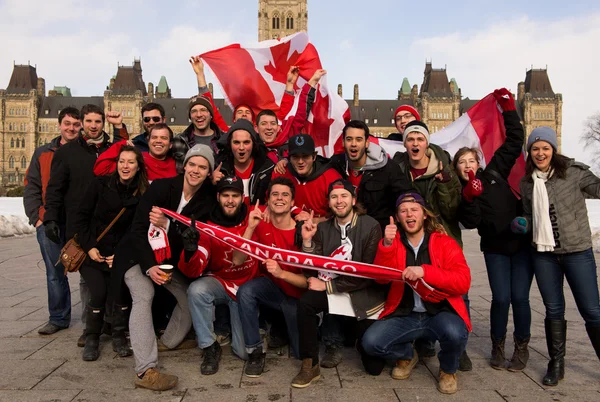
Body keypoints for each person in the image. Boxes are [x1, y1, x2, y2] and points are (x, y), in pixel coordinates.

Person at [120, 144, 217, 390]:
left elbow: (190, 239)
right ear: (185, 165)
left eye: (203, 167)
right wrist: (149, 266)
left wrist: (167, 223)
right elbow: (137, 230)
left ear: (208, 172)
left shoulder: (206, 202)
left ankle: (168, 342)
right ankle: (145, 370)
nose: (196, 170)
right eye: (193, 164)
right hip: (139, 257)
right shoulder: (162, 188)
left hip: (170, 262)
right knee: (144, 295)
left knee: (189, 298)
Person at [454, 88, 533, 371]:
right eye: (461, 163)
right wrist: (469, 197)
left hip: (522, 244)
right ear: (458, 169)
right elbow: (472, 222)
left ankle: (521, 346)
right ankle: (497, 346)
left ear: (478, 161)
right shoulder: (464, 192)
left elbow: (514, 142)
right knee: (501, 298)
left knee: (521, 299)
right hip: (495, 249)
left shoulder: (495, 170)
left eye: (470, 161)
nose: (467, 166)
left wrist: (509, 110)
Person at [514, 126, 600, 386]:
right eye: (535, 149)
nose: (540, 153)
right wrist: (523, 223)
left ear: (553, 149)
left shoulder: (574, 173)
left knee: (592, 311)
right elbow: (530, 214)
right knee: (553, 309)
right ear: (530, 152)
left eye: (545, 148)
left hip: (577, 251)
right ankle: (557, 363)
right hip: (544, 254)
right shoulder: (527, 182)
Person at [361, 192, 471, 394]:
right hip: (406, 314)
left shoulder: (443, 242)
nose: (409, 214)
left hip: (439, 313)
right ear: (398, 217)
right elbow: (381, 278)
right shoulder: (393, 243)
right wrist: (386, 246)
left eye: (414, 209)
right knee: (371, 343)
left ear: (425, 214)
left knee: (456, 333)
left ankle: (448, 370)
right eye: (403, 211)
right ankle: (408, 354)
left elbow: (463, 282)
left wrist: (426, 271)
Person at [291, 179, 386, 388]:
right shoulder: (323, 228)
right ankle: (310, 364)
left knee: (374, 368)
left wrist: (328, 287)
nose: (339, 201)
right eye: (334, 197)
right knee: (305, 303)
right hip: (334, 292)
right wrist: (307, 242)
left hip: (362, 295)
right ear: (329, 202)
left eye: (344, 196)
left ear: (353, 200)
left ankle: (360, 341)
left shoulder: (371, 225)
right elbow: (310, 269)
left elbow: (366, 273)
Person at [392, 120, 469, 368]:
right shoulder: (398, 168)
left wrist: (446, 183)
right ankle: (422, 342)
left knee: (455, 292)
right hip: (411, 240)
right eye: (410, 139)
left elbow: (453, 210)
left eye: (420, 139)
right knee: (416, 289)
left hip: (441, 239)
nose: (415, 144)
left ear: (427, 143)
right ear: (405, 144)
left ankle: (459, 346)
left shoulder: (444, 169)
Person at [43, 104, 119, 346]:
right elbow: (55, 189)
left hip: (109, 223)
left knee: (110, 272)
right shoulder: (66, 153)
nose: (93, 125)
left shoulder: (112, 148)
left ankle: (109, 321)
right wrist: (51, 218)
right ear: (83, 123)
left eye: (98, 121)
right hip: (80, 223)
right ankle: (90, 326)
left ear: (102, 124)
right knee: (88, 277)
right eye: (89, 121)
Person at [72, 145, 148, 361]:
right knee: (98, 291)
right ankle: (92, 337)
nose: (125, 166)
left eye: (131, 162)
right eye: (122, 161)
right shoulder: (99, 185)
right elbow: (81, 218)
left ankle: (118, 335)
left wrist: (123, 254)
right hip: (94, 250)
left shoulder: (141, 193)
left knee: (120, 292)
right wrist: (90, 248)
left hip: (120, 253)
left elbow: (137, 229)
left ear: (138, 166)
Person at [179, 175, 258, 375]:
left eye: (235, 196)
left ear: (243, 197)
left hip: (247, 289)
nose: (230, 200)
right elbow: (194, 270)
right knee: (197, 290)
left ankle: (248, 327)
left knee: (243, 353)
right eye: (225, 195)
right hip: (222, 282)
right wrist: (189, 251)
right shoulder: (208, 226)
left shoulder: (255, 217)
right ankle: (209, 346)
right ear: (218, 196)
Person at [234, 177, 307, 377]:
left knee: (303, 354)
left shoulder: (303, 231)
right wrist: (249, 228)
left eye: (285, 195)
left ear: (293, 202)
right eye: (275, 194)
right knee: (246, 291)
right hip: (273, 289)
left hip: (299, 298)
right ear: (268, 199)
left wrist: (282, 273)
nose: (279, 198)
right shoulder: (260, 223)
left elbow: (309, 282)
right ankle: (255, 352)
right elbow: (237, 260)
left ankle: (309, 328)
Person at [23, 107, 81, 335]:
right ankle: (58, 317)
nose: (71, 128)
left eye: (76, 125)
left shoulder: (86, 152)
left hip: (78, 222)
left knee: (88, 273)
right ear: (60, 125)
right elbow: (31, 187)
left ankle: (94, 320)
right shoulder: (42, 153)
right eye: (67, 123)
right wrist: (37, 219)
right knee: (54, 272)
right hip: (49, 222)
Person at [330, 120, 411, 230]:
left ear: (367, 142)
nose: (354, 144)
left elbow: (407, 196)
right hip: (342, 232)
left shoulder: (387, 167)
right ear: (343, 142)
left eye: (359, 139)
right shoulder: (334, 165)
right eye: (349, 139)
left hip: (377, 233)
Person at [190, 56, 298, 133]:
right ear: (234, 119)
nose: (244, 114)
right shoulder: (227, 134)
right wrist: (200, 74)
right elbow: (210, 107)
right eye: (240, 112)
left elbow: (283, 113)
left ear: (253, 121)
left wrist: (290, 84)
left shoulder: (262, 136)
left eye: (247, 112)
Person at [272, 134, 342, 221]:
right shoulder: (280, 173)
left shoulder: (331, 177)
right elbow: (269, 203)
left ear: (314, 156)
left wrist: (314, 221)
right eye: (295, 157)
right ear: (289, 158)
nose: (300, 161)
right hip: (287, 228)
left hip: (321, 230)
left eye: (305, 156)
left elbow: (342, 213)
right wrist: (296, 211)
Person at [211, 119, 275, 205]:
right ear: (229, 144)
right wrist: (211, 184)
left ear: (254, 144)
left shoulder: (268, 168)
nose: (241, 147)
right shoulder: (218, 167)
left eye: (246, 142)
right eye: (236, 142)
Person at [94, 123, 177, 181]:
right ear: (148, 142)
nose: (158, 141)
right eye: (154, 137)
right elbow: (100, 170)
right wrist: (120, 145)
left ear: (170, 145)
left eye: (164, 138)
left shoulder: (178, 165)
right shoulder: (137, 160)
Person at [172, 95, 225, 172]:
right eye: (194, 111)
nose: (199, 115)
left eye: (203, 110)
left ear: (211, 115)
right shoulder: (179, 140)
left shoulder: (224, 139)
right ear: (190, 116)